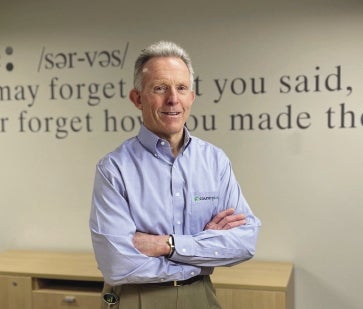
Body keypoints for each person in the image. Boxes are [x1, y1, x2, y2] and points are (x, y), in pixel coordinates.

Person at [89, 40, 261, 309]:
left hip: (200, 295)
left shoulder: (215, 161)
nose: (173, 99)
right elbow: (117, 263)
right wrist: (202, 248)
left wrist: (167, 245)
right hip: (137, 297)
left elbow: (244, 243)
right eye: (159, 88)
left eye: (181, 88)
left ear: (191, 97)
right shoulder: (114, 168)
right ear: (137, 99)